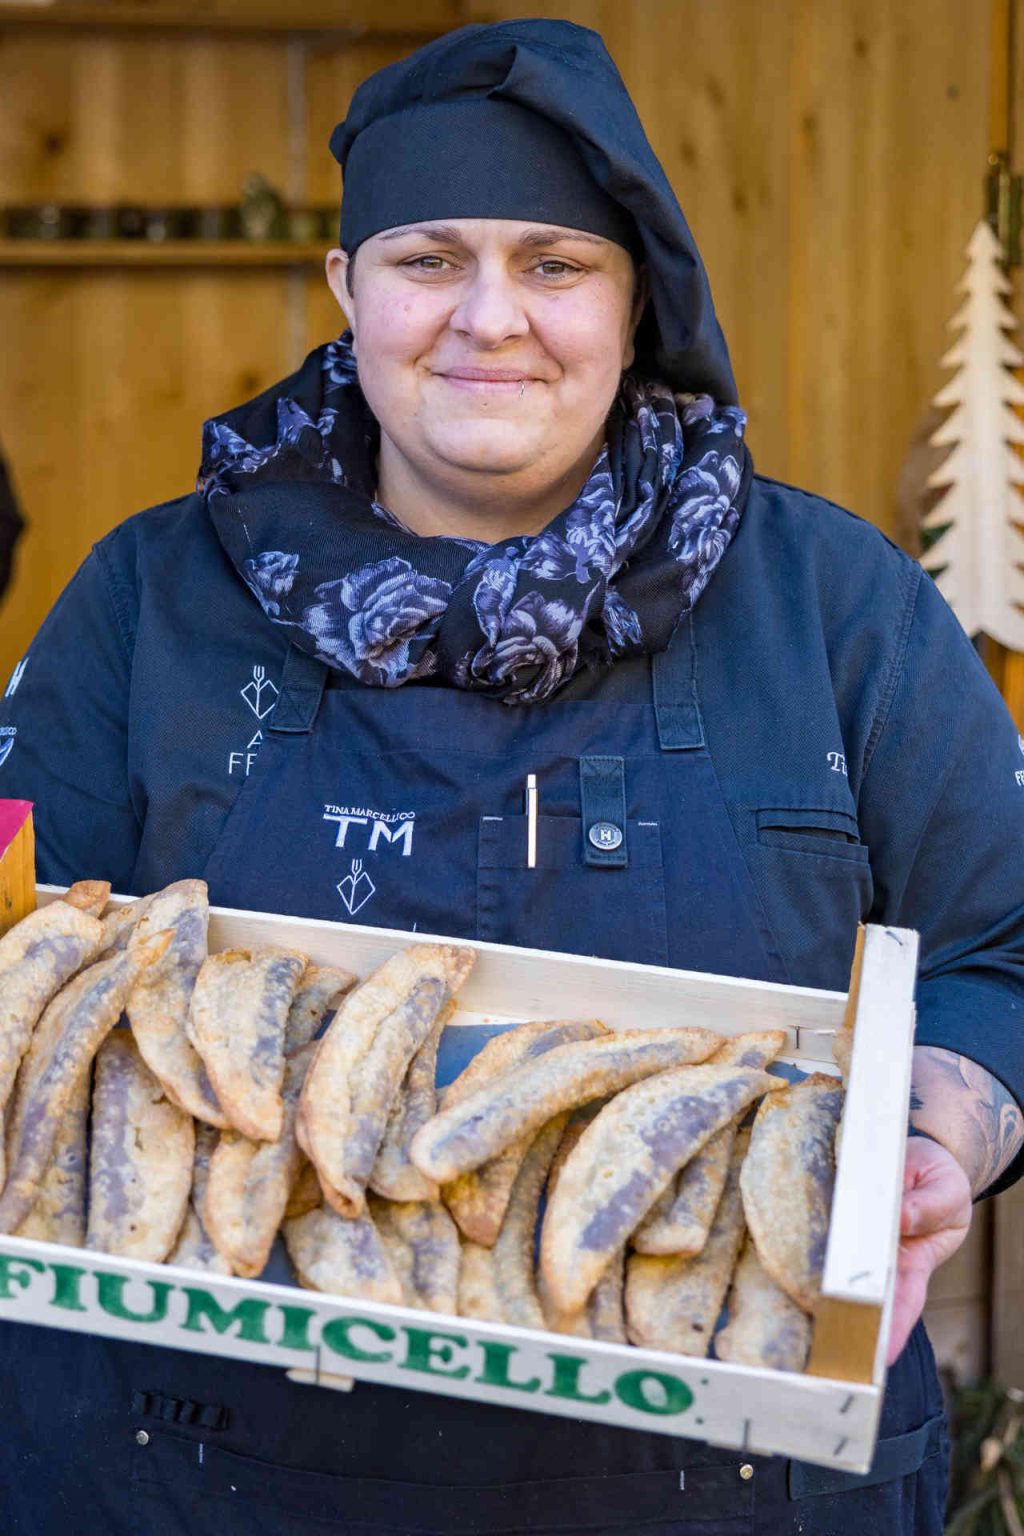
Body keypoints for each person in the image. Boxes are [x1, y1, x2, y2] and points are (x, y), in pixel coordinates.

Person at [1, 18, 1022, 1536]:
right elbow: (24, 944)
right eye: (428, 259)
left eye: (555, 263)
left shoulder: (835, 607)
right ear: (346, 289)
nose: (491, 319)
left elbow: (1005, 948)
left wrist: (941, 1135)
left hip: (733, 1474)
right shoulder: (149, 601)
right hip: (199, 1461)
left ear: (633, 300)